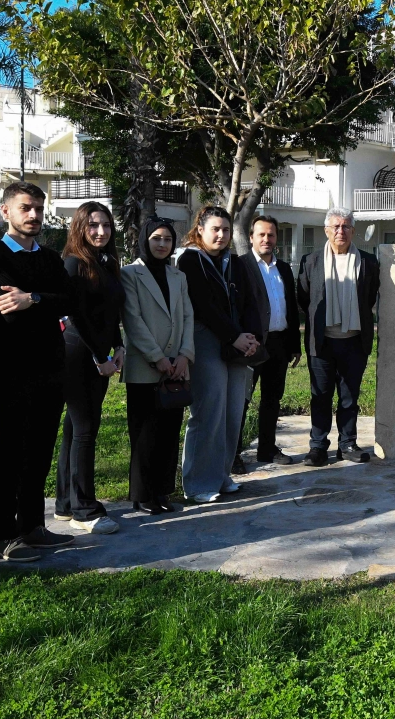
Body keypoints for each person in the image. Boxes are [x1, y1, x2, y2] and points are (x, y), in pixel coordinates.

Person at [0, 181, 76, 562]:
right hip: (13, 371)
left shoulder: (50, 258)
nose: (34, 215)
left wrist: (32, 298)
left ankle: (32, 526)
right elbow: (7, 309)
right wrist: (47, 302)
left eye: (38, 208)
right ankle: (3, 535)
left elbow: (71, 301)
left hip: (52, 370)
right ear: (6, 211)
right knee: (10, 454)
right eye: (25, 208)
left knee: (39, 452)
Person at [176, 205, 263, 503]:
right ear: (200, 229)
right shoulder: (190, 260)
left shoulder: (234, 262)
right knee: (208, 412)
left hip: (238, 343)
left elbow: (249, 301)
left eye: (226, 230)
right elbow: (202, 305)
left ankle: (221, 475)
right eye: (215, 229)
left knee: (232, 412)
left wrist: (251, 338)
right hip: (207, 339)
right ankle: (198, 483)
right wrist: (234, 336)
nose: (221, 235)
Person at [57, 201, 124, 534]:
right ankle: (84, 511)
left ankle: (65, 503)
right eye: (93, 225)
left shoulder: (106, 262)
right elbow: (76, 316)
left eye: (106, 225)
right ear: (80, 228)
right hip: (78, 355)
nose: (101, 231)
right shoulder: (73, 263)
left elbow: (110, 312)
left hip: (100, 353)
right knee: (85, 431)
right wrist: (100, 357)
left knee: (74, 429)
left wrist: (119, 346)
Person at [120, 216, 196, 513]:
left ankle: (163, 491)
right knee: (144, 432)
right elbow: (133, 320)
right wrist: (157, 357)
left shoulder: (178, 276)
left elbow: (187, 316)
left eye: (167, 239)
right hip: (145, 365)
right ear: (145, 240)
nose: (162, 244)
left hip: (176, 366)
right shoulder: (130, 273)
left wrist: (185, 354)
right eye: (156, 239)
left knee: (168, 431)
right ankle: (142, 495)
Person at [298, 207, 379, 466]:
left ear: (353, 231)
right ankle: (318, 447)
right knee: (320, 396)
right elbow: (305, 299)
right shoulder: (310, 261)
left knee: (349, 397)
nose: (340, 231)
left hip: (354, 341)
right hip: (321, 342)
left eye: (345, 226)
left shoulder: (368, 262)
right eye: (335, 226)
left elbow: (369, 297)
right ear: (326, 230)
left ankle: (348, 444)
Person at [235, 214, 300, 465]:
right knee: (241, 401)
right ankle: (233, 454)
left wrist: (294, 345)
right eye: (261, 234)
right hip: (251, 345)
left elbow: (291, 307)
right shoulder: (240, 266)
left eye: (271, 235)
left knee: (272, 399)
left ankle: (267, 449)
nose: (266, 239)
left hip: (279, 344)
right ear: (251, 237)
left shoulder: (283, 268)